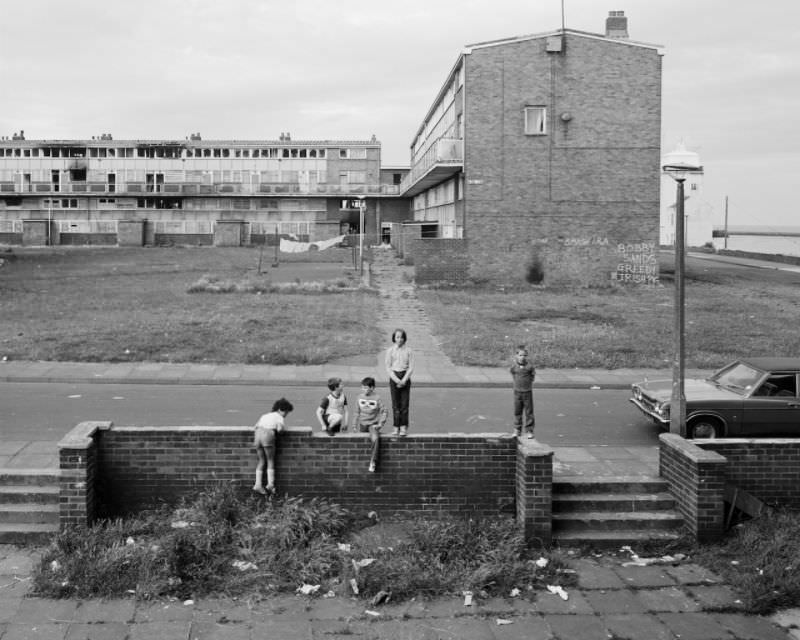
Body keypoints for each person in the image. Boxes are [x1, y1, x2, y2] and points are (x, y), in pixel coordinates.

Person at [252, 397, 294, 495]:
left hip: (257, 435)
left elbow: (256, 426)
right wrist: (281, 430)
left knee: (261, 460)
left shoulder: (264, 415)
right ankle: (270, 485)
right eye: (286, 412)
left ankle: (258, 484)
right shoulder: (279, 417)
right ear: (280, 410)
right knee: (270, 460)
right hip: (268, 434)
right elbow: (279, 429)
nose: (286, 415)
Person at [354, 376, 388, 472]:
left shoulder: (377, 398)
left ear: (372, 388)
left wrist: (380, 424)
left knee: (375, 439)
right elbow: (356, 412)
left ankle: (373, 461)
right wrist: (354, 425)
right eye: (362, 387)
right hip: (362, 424)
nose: (363, 389)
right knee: (361, 443)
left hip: (373, 424)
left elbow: (385, 411)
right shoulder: (359, 397)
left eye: (365, 387)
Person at [385, 328, 414, 436]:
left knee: (404, 404)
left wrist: (404, 380)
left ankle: (403, 427)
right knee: (395, 404)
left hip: (405, 376)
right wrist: (397, 380)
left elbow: (411, 367)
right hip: (394, 377)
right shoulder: (390, 351)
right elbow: (388, 367)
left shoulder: (409, 351)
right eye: (397, 337)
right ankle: (396, 426)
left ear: (404, 338)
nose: (400, 339)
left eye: (402, 337)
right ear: (394, 338)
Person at [510, 345, 536, 439]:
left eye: (525, 355)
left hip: (527, 392)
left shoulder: (529, 367)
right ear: (516, 356)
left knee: (529, 412)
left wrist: (527, 384)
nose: (523, 357)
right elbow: (513, 374)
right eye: (520, 355)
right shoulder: (514, 366)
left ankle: (529, 430)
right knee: (517, 411)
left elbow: (532, 377)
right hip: (517, 392)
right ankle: (517, 429)